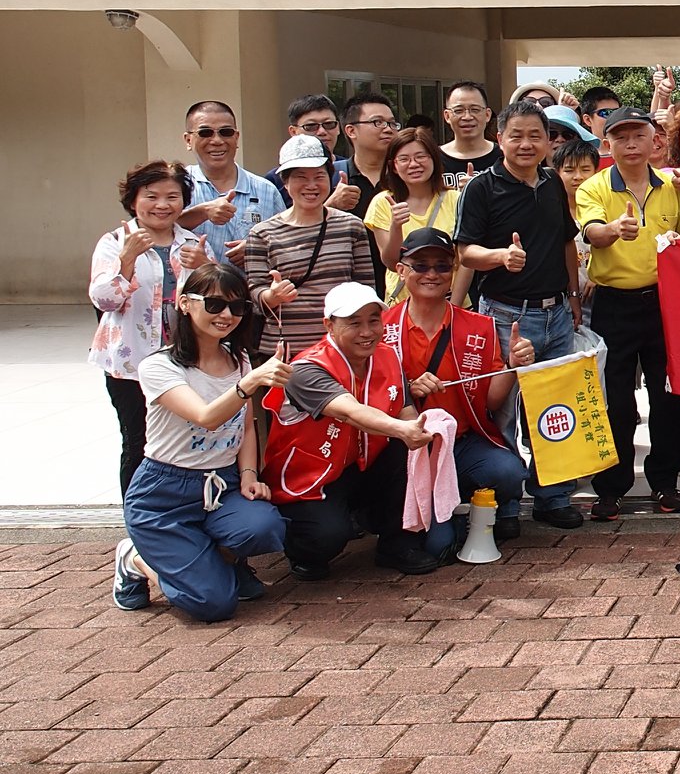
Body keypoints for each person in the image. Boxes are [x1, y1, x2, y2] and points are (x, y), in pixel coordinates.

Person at [113, 262, 293, 619]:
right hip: (164, 494)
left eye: (237, 307)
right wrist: (250, 384)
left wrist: (248, 475)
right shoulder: (159, 366)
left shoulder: (239, 361)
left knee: (265, 527)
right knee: (212, 605)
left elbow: (243, 426)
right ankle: (133, 559)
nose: (226, 315)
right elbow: (207, 417)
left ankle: (215, 561)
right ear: (184, 303)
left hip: (220, 484)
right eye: (214, 304)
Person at [452, 98, 585, 530]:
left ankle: (554, 497)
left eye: (536, 136)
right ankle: (505, 505)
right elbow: (465, 251)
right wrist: (499, 256)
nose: (526, 144)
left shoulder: (550, 182)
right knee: (502, 412)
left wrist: (573, 294)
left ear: (549, 142)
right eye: (517, 135)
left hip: (557, 313)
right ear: (499, 139)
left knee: (554, 407)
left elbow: (567, 241)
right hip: (505, 315)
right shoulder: (482, 187)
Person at [264, 282, 450, 578]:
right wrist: (404, 429)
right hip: (312, 478)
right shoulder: (307, 368)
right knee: (324, 540)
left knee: (409, 448)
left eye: (373, 321)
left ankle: (397, 543)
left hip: (361, 465)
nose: (367, 332)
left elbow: (404, 409)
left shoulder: (387, 355)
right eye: (354, 323)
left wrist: (420, 429)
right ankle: (302, 547)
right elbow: (350, 411)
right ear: (329, 325)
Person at [381, 228, 536, 542]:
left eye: (442, 266)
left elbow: (491, 402)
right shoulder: (382, 329)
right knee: (437, 545)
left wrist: (513, 366)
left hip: (461, 444)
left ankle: (454, 499)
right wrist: (408, 389)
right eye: (420, 266)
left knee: (507, 473)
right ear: (401, 270)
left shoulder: (478, 326)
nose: (432, 274)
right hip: (404, 448)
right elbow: (367, 398)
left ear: (453, 271)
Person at [576, 108, 680, 520]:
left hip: (664, 304)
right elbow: (592, 232)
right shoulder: (592, 187)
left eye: (637, 136)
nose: (629, 144)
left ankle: (666, 482)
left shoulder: (673, 185)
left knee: (666, 398)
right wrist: (613, 231)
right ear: (606, 143)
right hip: (613, 305)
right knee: (616, 402)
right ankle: (611, 487)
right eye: (619, 137)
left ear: (654, 140)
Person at [91, 161, 207, 494]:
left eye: (172, 196)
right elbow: (104, 300)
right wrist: (126, 261)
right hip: (131, 368)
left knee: (183, 442)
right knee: (139, 442)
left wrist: (206, 267)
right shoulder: (114, 242)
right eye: (151, 196)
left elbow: (217, 297)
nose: (162, 205)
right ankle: (138, 524)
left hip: (185, 361)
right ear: (133, 200)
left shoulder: (192, 243)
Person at [244, 135, 376, 360]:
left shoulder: (351, 226)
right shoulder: (262, 233)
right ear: (285, 183)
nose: (311, 185)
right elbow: (255, 292)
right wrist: (273, 296)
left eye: (319, 176)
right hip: (284, 353)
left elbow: (365, 290)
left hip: (339, 350)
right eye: (300, 177)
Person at [179, 101, 284, 268]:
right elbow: (155, 230)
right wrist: (201, 213)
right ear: (188, 140)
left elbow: (287, 244)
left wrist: (256, 250)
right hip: (189, 293)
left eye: (225, 132)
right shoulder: (175, 185)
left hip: (252, 292)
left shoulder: (266, 191)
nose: (217, 140)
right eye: (205, 133)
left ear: (236, 137)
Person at [363, 128, 460, 305]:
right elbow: (391, 262)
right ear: (393, 165)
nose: (413, 164)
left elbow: (465, 261)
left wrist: (455, 304)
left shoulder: (456, 200)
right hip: (402, 305)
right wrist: (396, 226)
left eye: (421, 156)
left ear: (434, 158)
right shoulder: (383, 202)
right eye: (404, 159)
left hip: (451, 301)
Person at [332, 91, 399, 226]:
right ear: (351, 131)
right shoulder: (331, 175)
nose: (388, 129)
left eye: (392, 123)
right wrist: (332, 204)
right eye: (377, 122)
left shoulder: (405, 174)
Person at [266, 94, 342, 203]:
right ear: (293, 132)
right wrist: (332, 205)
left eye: (329, 124)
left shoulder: (350, 170)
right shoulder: (274, 180)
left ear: (338, 127)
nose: (322, 132)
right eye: (311, 126)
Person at [439, 80, 502, 190]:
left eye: (475, 110)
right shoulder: (433, 159)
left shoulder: (504, 157)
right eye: (458, 111)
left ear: (487, 115)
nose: (467, 117)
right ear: (447, 116)